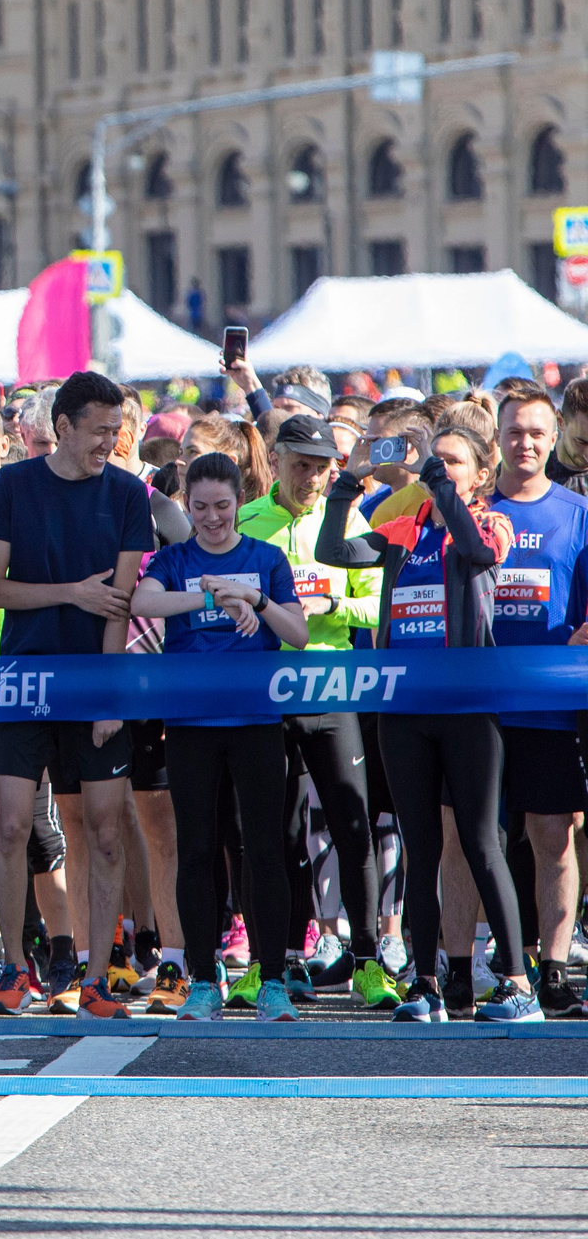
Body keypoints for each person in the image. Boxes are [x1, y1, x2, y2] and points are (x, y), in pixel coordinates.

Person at [318, 424, 539, 1022]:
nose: (438, 468)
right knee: (421, 847)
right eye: (433, 460)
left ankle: (518, 982)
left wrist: (437, 486)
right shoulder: (404, 530)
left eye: (452, 461)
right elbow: (331, 553)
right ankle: (425, 983)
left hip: (468, 709)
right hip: (405, 711)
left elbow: (477, 552)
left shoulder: (490, 521)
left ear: (478, 474)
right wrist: (348, 479)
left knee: (481, 843)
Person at [0, 370, 152, 1020]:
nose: (110, 440)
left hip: (96, 681)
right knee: (13, 826)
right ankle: (13, 969)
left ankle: (97, 976)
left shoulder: (129, 493)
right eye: (99, 430)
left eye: (117, 429)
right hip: (23, 679)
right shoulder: (15, 484)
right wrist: (67, 592)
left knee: (104, 832)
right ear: (63, 427)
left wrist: (109, 696)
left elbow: (120, 602)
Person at [132, 452, 314, 1020]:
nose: (212, 518)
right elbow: (142, 601)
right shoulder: (175, 556)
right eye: (200, 507)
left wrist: (254, 599)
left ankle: (273, 978)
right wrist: (210, 596)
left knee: (264, 852)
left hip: (257, 725)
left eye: (223, 506)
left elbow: (299, 634)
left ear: (240, 501)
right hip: (190, 726)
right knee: (198, 850)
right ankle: (205, 978)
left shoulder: (265, 557)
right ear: (186, 505)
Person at [235, 413, 391, 1012]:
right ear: (275, 461)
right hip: (265, 695)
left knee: (354, 828)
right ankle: (270, 964)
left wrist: (330, 603)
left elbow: (381, 605)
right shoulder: (247, 522)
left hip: (331, 689)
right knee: (271, 836)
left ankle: (369, 961)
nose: (311, 479)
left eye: (323, 469)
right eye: (300, 465)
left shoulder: (351, 521)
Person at [481, 387, 588, 1015]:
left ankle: (553, 968)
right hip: (479, 706)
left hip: (548, 705)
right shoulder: (469, 509)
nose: (525, 443)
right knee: (481, 842)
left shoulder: (577, 513)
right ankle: (500, 964)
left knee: (553, 837)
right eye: (515, 432)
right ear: (497, 437)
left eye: (537, 433)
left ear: (555, 439)